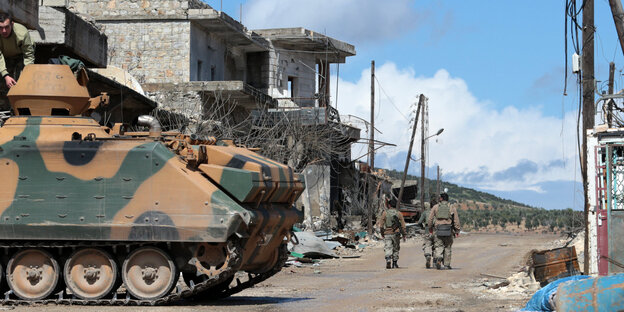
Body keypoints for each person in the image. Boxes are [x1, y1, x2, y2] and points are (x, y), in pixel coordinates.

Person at [0, 13, 34, 90]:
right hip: (6, 54)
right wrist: (6, 75)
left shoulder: (22, 33)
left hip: (21, 54)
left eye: (6, 27)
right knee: (4, 82)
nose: (4, 31)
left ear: (12, 24)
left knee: (22, 80)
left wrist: (27, 72)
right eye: (0, 28)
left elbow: (28, 55)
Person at [427, 192, 460, 270]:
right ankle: (446, 265)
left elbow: (430, 219)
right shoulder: (452, 207)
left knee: (438, 246)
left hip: (438, 230)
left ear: (441, 199)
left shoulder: (435, 207)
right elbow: (456, 220)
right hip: (449, 230)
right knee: (447, 247)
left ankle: (439, 257)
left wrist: (430, 228)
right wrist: (457, 230)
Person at [377, 196, 407, 269]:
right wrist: (404, 234)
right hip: (396, 233)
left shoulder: (385, 213)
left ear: (389, 205)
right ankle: (394, 263)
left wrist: (382, 233)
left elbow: (381, 225)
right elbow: (403, 225)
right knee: (396, 248)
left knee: (388, 247)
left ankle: (388, 260)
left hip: (387, 233)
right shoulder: (399, 213)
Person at [416, 201, 434, 268]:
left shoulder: (424, 213)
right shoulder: (435, 211)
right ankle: (436, 260)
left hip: (427, 230)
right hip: (435, 231)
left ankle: (428, 256)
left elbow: (419, 222)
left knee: (427, 244)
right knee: (436, 245)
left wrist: (422, 227)